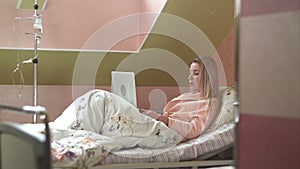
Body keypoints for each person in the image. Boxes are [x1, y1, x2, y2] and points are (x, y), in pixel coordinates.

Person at [140, 56, 220, 141]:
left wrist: (162, 119)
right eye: (190, 73)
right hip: (160, 125)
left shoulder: (210, 103)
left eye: (196, 74)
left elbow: (193, 129)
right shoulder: (188, 96)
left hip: (167, 134)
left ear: (208, 77)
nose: (190, 78)